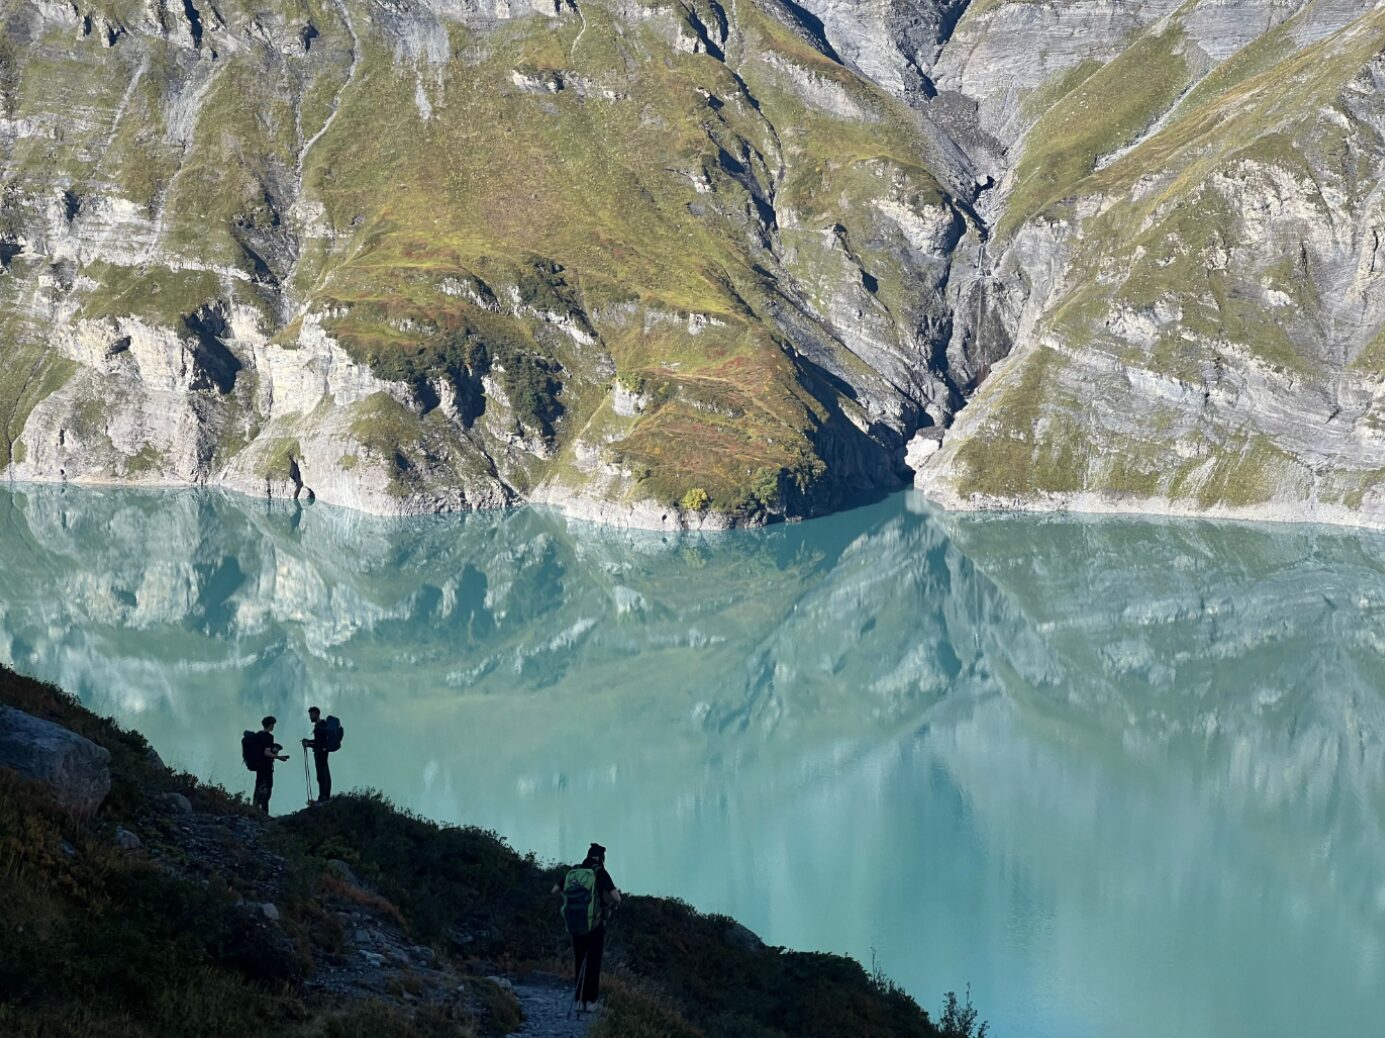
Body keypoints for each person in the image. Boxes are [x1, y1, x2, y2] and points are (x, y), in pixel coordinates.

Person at [554, 842, 621, 1013]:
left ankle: (578, 1000)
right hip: (595, 923)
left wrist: (570, 899)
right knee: (593, 962)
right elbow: (616, 897)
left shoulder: (574, 871)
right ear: (600, 858)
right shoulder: (600, 872)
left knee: (579, 959)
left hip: (576, 922)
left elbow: (555, 889)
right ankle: (590, 1002)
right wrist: (608, 905)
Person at [248, 716, 289, 813]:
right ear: (270, 725)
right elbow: (266, 753)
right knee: (267, 790)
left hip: (259, 767)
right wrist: (279, 757)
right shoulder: (269, 737)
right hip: (266, 767)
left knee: (258, 788)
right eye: (273, 724)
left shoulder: (258, 735)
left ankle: (254, 811)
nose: (273, 726)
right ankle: (264, 813)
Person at [301, 706, 333, 803]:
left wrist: (308, 743)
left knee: (321, 775)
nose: (310, 717)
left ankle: (323, 797)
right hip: (322, 752)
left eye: (311, 714)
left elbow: (319, 743)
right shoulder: (321, 725)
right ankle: (325, 796)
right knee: (324, 773)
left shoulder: (320, 726)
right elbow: (318, 742)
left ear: (317, 714)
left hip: (320, 753)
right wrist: (309, 743)